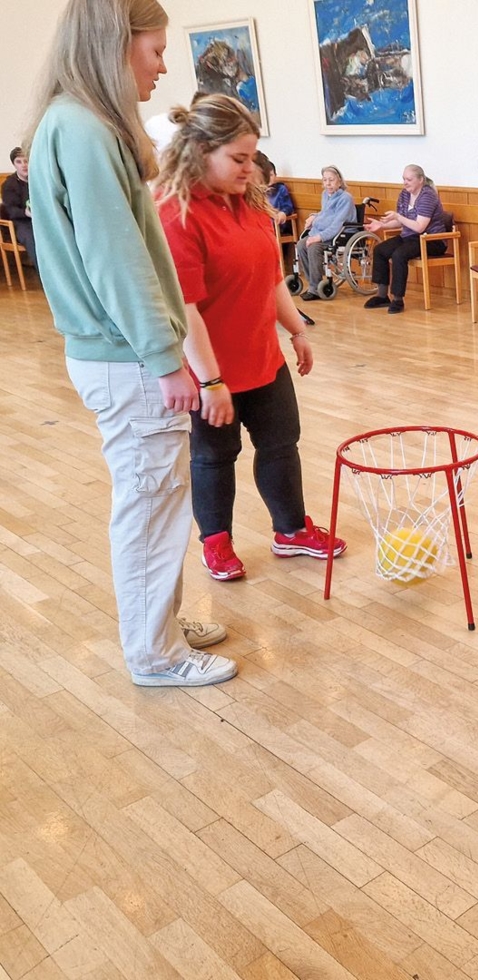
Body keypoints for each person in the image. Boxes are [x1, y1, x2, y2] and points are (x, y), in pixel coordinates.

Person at [28, 0, 234, 687]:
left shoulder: (75, 123)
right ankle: (154, 655)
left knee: (161, 504)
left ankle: (163, 627)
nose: (163, 66)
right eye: (154, 51)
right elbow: (118, 261)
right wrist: (164, 358)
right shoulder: (83, 128)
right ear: (115, 47)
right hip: (125, 360)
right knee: (149, 510)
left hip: (117, 356)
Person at [155, 94, 347, 582]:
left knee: (282, 443)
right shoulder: (176, 214)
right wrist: (212, 382)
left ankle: (291, 530)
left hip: (264, 357)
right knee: (215, 455)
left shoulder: (252, 204)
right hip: (211, 367)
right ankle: (216, 541)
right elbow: (186, 309)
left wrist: (297, 331)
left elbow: (270, 279)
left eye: (252, 157)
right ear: (200, 150)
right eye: (238, 159)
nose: (249, 168)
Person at [363, 164, 447, 314]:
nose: (405, 182)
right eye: (404, 179)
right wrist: (381, 225)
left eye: (409, 179)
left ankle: (397, 299)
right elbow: (400, 222)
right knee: (380, 250)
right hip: (411, 236)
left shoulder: (428, 196)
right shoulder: (404, 194)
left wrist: (398, 216)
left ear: (420, 180)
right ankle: (382, 296)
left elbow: (420, 227)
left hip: (432, 240)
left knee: (399, 254)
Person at [296, 165, 356, 301]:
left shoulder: (345, 198)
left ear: (339, 181)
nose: (328, 183)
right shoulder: (326, 195)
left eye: (331, 180)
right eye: (325, 180)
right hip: (325, 232)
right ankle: (314, 284)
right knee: (301, 245)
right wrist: (313, 216)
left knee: (313, 247)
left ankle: (315, 289)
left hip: (341, 234)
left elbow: (337, 224)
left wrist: (318, 237)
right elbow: (325, 214)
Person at [1, 147, 36, 266]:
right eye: (19, 162)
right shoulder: (9, 184)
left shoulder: (37, 179)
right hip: (21, 222)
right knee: (31, 237)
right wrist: (26, 213)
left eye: (26, 161)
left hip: (40, 219)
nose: (23, 165)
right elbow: (11, 211)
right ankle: (45, 274)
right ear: (14, 164)